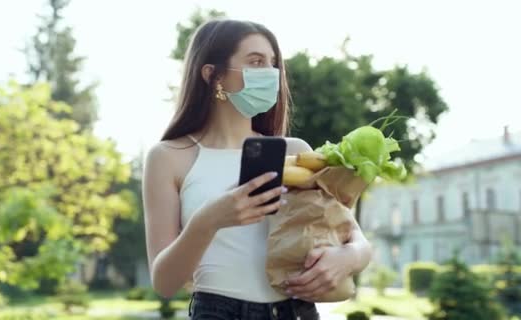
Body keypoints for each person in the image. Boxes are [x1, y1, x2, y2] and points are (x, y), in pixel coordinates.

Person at [142, 19, 372, 319]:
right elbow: (164, 282)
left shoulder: (296, 153)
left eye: (273, 63)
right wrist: (208, 220)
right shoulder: (168, 157)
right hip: (217, 311)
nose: (271, 74)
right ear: (213, 75)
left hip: (295, 311)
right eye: (256, 62)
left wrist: (348, 257)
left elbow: (356, 238)